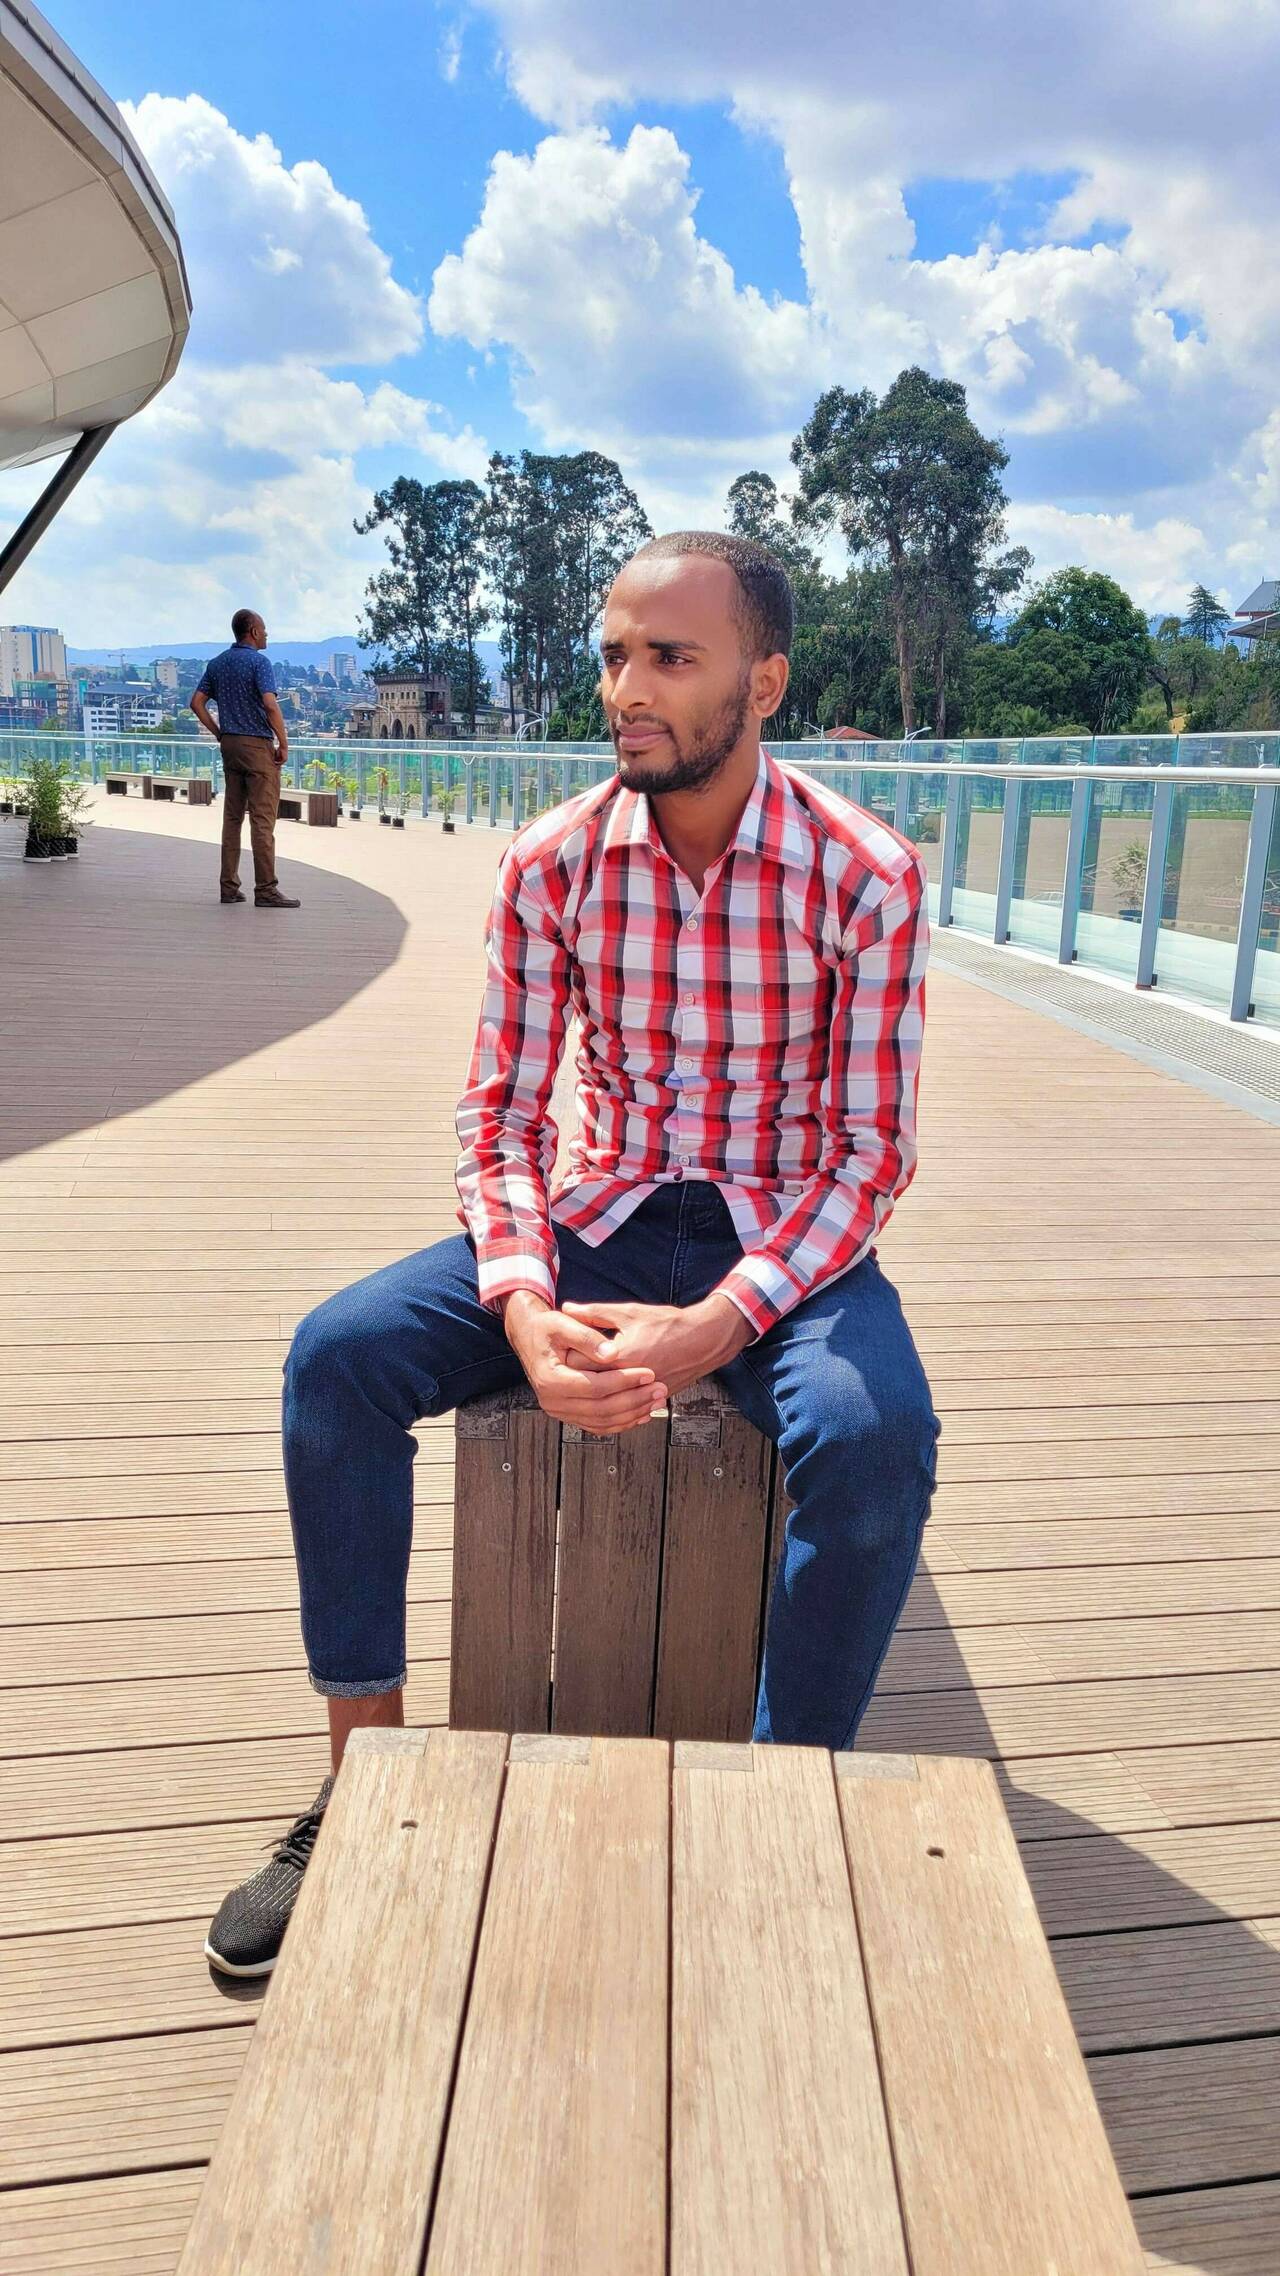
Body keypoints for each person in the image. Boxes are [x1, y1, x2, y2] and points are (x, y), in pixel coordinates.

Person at [205, 531, 940, 1977]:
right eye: (613, 656)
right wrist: (522, 1302)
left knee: (875, 1438)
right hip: (599, 1211)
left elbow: (869, 1157)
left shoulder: (865, 874)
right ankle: (360, 1782)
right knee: (336, 1360)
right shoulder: (552, 861)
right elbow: (500, 1115)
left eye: (669, 657)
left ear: (763, 682)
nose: (625, 690)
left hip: (785, 1231)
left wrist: (722, 1320)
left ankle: (780, 1809)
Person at [191, 609, 300, 909]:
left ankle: (228, 887)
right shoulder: (259, 663)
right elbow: (270, 705)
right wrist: (283, 742)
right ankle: (266, 890)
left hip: (230, 746)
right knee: (262, 820)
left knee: (232, 818)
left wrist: (219, 732)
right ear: (252, 631)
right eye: (263, 629)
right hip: (257, 747)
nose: (266, 634)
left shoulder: (217, 664)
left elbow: (196, 702)